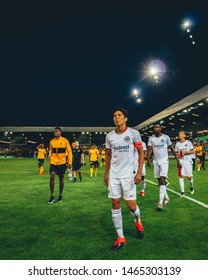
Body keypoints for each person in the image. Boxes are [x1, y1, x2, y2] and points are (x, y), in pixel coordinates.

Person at [103, 108, 144, 251]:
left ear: (125, 118)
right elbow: (108, 155)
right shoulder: (109, 136)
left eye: (119, 115)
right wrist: (106, 174)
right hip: (114, 175)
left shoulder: (134, 133)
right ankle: (121, 237)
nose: (116, 118)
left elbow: (141, 153)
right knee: (115, 204)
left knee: (131, 206)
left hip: (129, 175)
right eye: (114, 116)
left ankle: (138, 220)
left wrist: (139, 172)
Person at [147, 123, 180, 211]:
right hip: (155, 161)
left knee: (162, 180)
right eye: (154, 127)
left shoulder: (166, 137)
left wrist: (178, 160)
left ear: (160, 128)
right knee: (160, 181)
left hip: (164, 161)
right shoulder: (151, 138)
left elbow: (172, 149)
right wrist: (148, 158)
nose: (155, 129)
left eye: (157, 127)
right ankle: (167, 198)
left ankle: (160, 203)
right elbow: (149, 149)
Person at [48, 127, 72, 204]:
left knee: (61, 179)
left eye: (57, 131)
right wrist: (50, 159)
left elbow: (69, 151)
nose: (55, 132)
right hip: (53, 162)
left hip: (62, 162)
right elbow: (50, 151)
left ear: (60, 132)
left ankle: (60, 195)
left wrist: (70, 162)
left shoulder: (65, 141)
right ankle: (52, 196)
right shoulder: (51, 141)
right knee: (52, 176)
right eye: (54, 131)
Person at [175, 131, 195, 197]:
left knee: (189, 177)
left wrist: (186, 152)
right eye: (179, 134)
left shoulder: (188, 143)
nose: (180, 135)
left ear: (184, 135)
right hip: (181, 162)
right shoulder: (177, 144)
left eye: (181, 134)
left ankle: (191, 187)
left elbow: (193, 151)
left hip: (188, 162)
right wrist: (177, 156)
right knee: (181, 176)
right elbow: (176, 153)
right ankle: (182, 192)